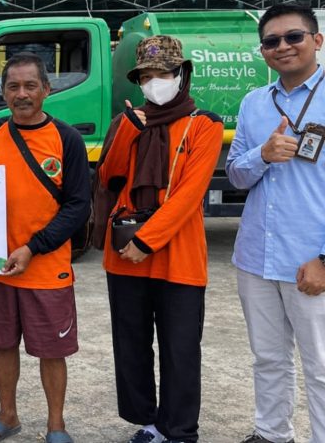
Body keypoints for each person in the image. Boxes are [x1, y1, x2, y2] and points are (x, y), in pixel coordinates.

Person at [96, 35, 223, 443]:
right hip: (125, 257)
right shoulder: (129, 121)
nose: (156, 83)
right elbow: (108, 178)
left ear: (181, 74)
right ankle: (149, 422)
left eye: (164, 73)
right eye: (147, 76)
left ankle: (180, 430)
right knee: (131, 346)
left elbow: (188, 195)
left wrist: (146, 240)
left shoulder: (205, 125)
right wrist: (126, 132)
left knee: (180, 349)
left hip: (177, 256)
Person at [0, 52, 90, 443]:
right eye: (13, 86)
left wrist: (33, 248)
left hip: (45, 267)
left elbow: (77, 207)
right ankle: (7, 416)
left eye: (30, 86)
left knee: (52, 350)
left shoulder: (66, 138)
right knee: (3, 344)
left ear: (46, 90)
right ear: (3, 92)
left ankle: (57, 425)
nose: (21, 94)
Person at [226, 3, 325, 443]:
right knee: (267, 357)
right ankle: (271, 434)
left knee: (321, 365)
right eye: (271, 41)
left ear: (317, 40)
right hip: (256, 256)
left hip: (311, 258)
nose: (282, 47)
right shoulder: (253, 102)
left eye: (293, 37)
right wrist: (262, 155)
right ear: (263, 51)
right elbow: (236, 175)